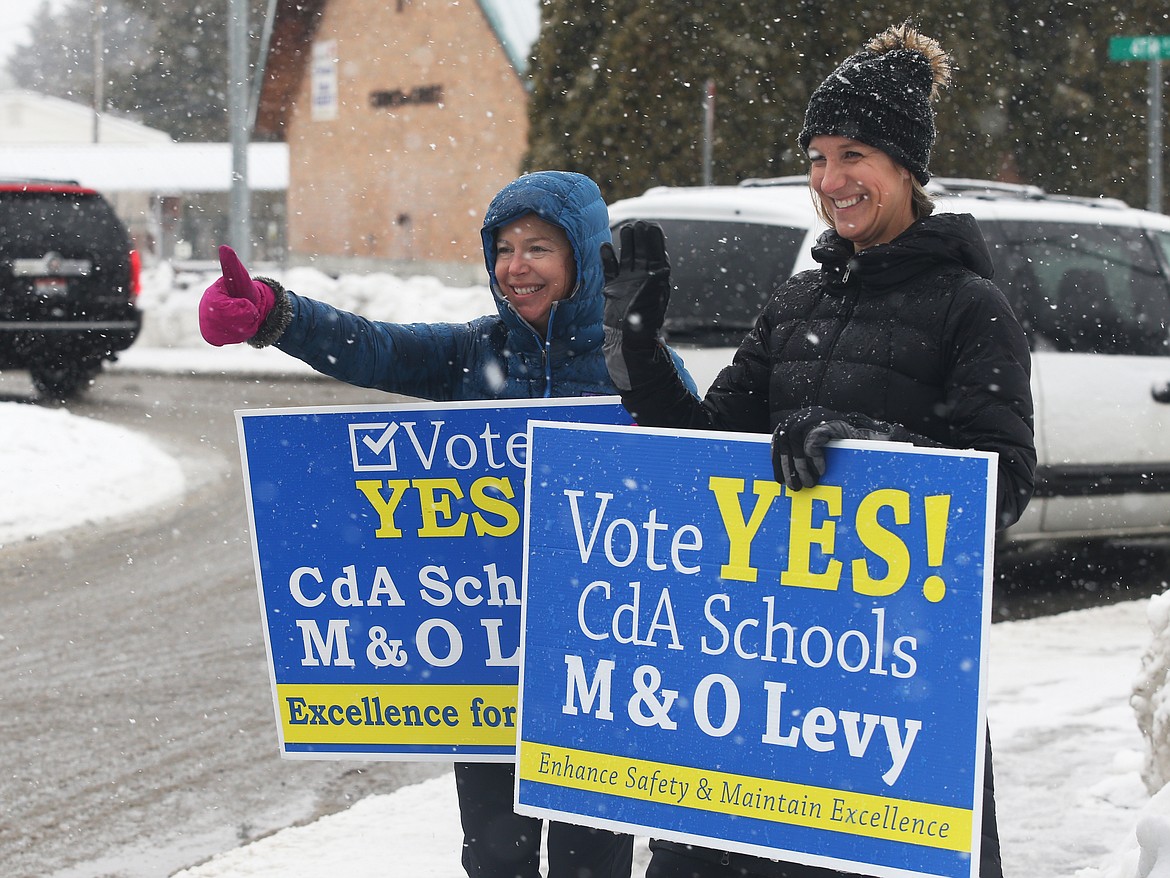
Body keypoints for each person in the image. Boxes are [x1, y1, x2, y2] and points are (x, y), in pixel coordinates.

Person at [601, 23, 1035, 878]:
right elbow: (708, 450)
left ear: (907, 167)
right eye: (816, 158)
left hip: (893, 686)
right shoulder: (796, 300)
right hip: (767, 673)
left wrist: (869, 452)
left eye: (854, 155)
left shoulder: (970, 307)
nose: (830, 181)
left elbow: (1005, 488)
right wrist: (641, 357)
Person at [199, 170, 693, 878]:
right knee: (496, 860)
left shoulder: (640, 368)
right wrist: (276, 314)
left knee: (593, 863)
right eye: (505, 249)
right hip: (486, 659)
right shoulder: (475, 352)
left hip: (597, 668)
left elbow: (696, 491)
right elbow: (374, 345)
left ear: (583, 258)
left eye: (539, 250)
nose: (516, 268)